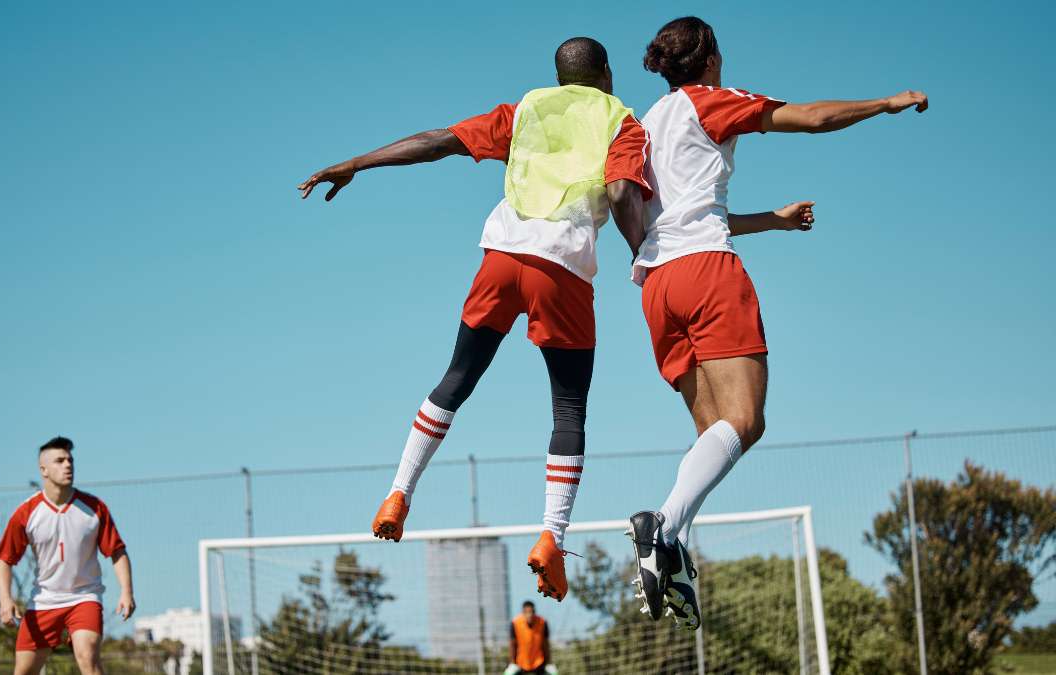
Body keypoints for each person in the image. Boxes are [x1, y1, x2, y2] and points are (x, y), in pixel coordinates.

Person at [298, 37, 650, 602]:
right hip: (561, 269)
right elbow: (620, 191)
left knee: (456, 379)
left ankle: (398, 493)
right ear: (606, 74)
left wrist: (357, 163)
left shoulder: (525, 110)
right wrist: (643, 254)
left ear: (559, 77)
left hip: (501, 257)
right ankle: (551, 538)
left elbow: (438, 142)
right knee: (568, 406)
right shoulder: (623, 122)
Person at [626, 16, 928, 630]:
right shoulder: (713, 101)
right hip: (707, 274)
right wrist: (887, 103)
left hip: (656, 284)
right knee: (745, 421)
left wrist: (776, 221)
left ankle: (671, 545)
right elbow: (813, 117)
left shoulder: (641, 125)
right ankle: (663, 524)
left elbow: (687, 213)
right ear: (709, 59)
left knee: (714, 433)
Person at [0, 436, 136, 674]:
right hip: (44, 601)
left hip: (84, 597)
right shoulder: (26, 513)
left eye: (70, 460)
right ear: (44, 470)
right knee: (23, 671)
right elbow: (4, 561)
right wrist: (5, 600)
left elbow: (117, 552)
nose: (67, 465)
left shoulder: (94, 508)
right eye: (59, 461)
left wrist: (127, 591)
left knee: (87, 655)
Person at [505, 600, 557, 675]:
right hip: (520, 662)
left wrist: (548, 662)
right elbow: (512, 644)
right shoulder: (515, 623)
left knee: (554, 673)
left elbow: (545, 644)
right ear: (523, 613)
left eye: (531, 612)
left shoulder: (542, 622)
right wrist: (512, 662)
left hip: (539, 661)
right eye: (526, 612)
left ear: (534, 612)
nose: (529, 615)